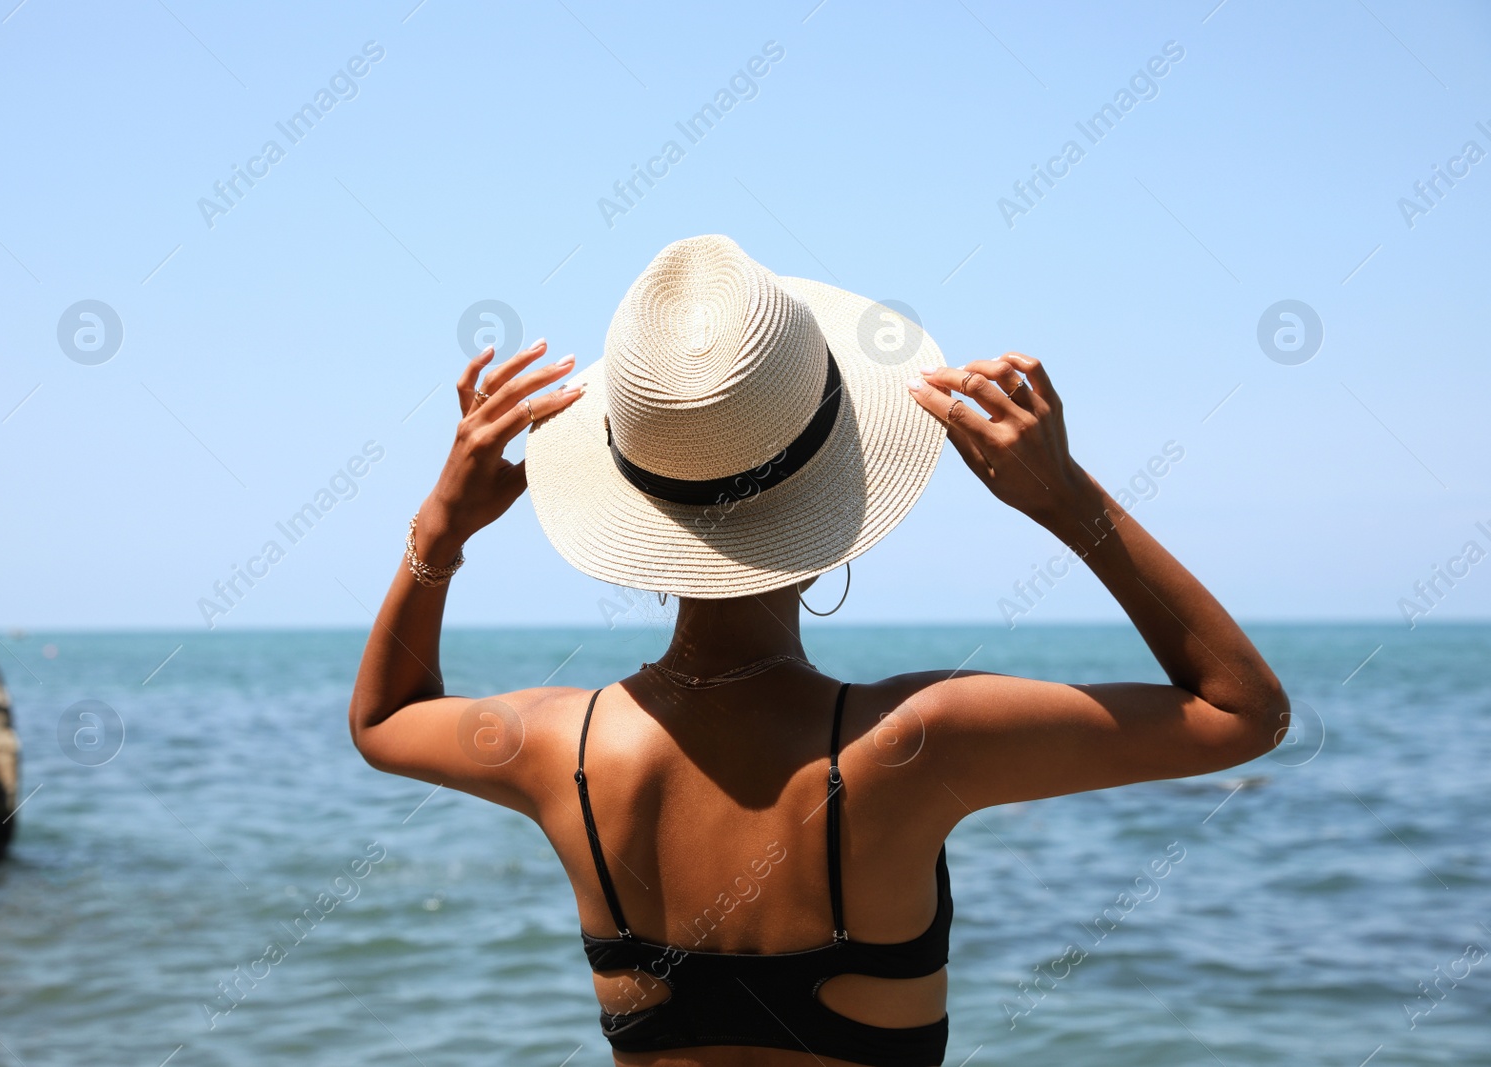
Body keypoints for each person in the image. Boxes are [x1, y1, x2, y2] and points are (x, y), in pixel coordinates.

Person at [348, 235, 1288, 1067]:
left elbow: (382, 719)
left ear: (638, 501)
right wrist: (1066, 500)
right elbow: (1241, 713)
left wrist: (442, 527)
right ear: (833, 501)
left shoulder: (564, 750)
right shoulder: (918, 741)